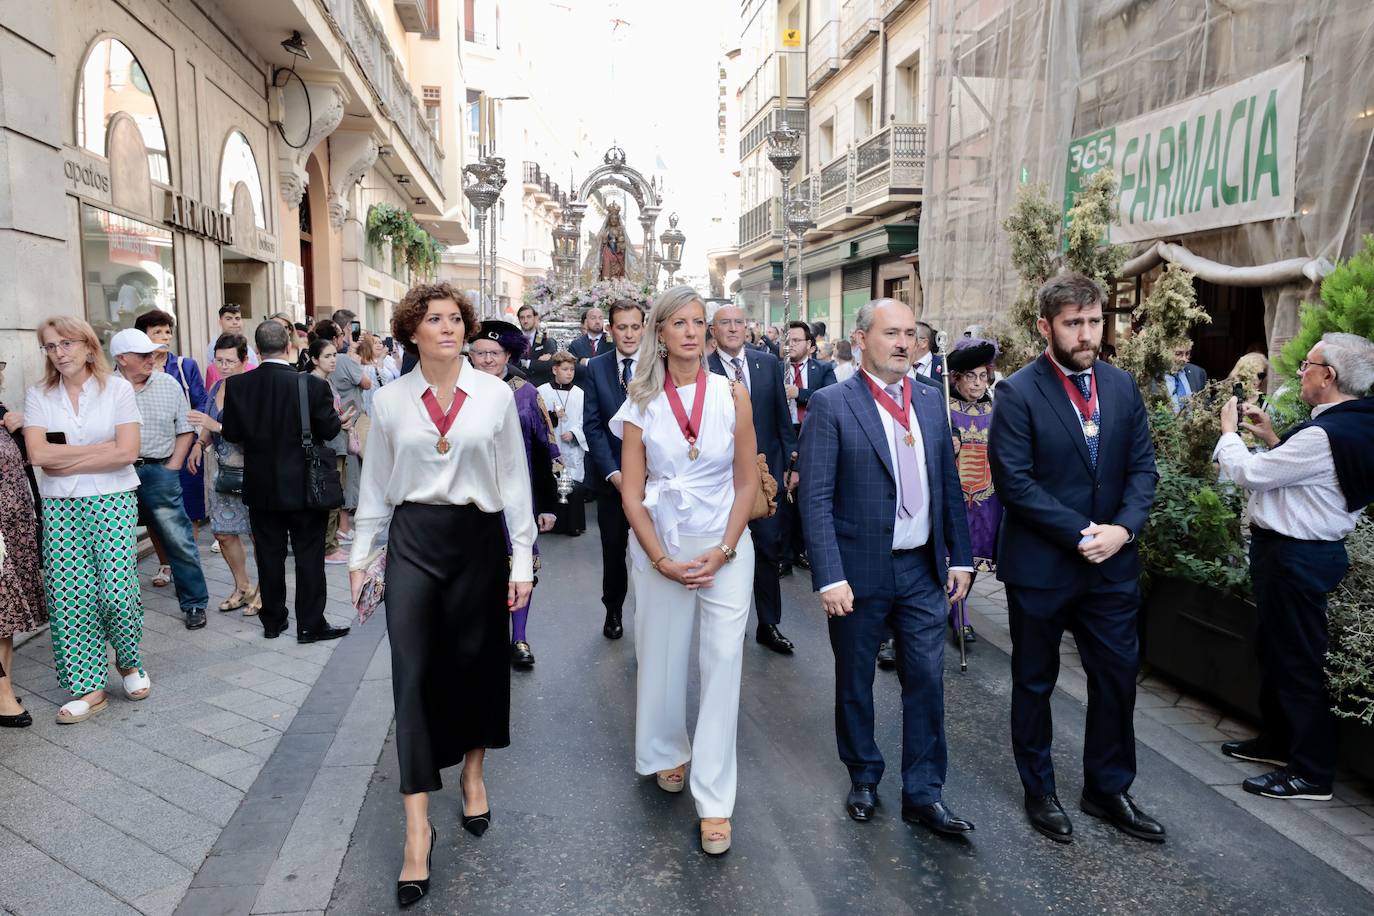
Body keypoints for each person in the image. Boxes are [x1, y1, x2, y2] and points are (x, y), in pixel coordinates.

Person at [348, 283, 535, 908]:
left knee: (478, 664)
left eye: (456, 319)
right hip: (414, 543)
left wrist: (523, 559)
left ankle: (475, 773)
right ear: (411, 331)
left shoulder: (497, 396)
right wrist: (359, 556)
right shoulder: (390, 399)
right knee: (414, 677)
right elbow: (374, 485)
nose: (450, 329)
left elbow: (514, 480)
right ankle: (416, 830)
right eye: (435, 320)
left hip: (480, 541)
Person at [988, 273, 1163, 845]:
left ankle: (1106, 789)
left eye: (1094, 321)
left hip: (1111, 565)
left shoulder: (1120, 386)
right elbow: (1014, 482)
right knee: (1034, 681)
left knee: (1116, 680)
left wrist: (1123, 531)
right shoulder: (1017, 392)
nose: (1087, 334)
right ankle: (1040, 788)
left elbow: (1142, 469)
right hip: (1042, 567)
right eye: (1074, 324)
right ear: (1046, 327)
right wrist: (1084, 530)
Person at [798, 298, 976, 837]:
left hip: (922, 573)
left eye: (909, 334)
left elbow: (948, 484)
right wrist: (829, 576)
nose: (903, 343)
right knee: (855, 681)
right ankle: (864, 775)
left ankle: (924, 793)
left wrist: (961, 556)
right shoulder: (833, 404)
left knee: (926, 680)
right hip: (858, 574)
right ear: (860, 341)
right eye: (890, 333)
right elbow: (817, 499)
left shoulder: (928, 400)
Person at [611, 285, 758, 856]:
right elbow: (631, 491)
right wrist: (661, 560)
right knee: (663, 656)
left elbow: (747, 481)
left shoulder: (733, 395)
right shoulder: (639, 401)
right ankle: (670, 749)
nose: (694, 331)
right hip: (662, 547)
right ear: (661, 333)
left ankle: (715, 801)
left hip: (725, 546)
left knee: (722, 664)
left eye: (700, 322)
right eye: (681, 323)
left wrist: (723, 550)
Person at [1214, 333, 1374, 801]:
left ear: (1330, 377)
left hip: (1295, 556)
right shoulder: (1353, 424)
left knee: (1298, 662)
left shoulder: (1326, 434)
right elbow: (1317, 478)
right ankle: (1279, 742)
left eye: (1308, 364)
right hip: (1300, 553)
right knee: (1276, 652)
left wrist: (1229, 434)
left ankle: (1311, 773)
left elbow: (1252, 474)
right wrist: (1272, 439)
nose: (1300, 370)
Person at [23, 316, 147, 723]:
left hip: (112, 499)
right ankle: (88, 686)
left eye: (67, 343)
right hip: (60, 504)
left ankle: (129, 662)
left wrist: (71, 460)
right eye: (51, 346)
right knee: (70, 595)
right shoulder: (39, 394)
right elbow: (39, 456)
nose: (59, 353)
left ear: (89, 346)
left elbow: (127, 451)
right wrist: (99, 450)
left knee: (115, 592)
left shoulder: (117, 389)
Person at [221, 320, 349, 643]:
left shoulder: (238, 386)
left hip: (260, 484)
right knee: (308, 556)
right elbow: (330, 431)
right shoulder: (311, 385)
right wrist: (340, 421)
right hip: (305, 485)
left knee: (268, 554)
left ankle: (273, 621)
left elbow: (232, 434)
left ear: (258, 350)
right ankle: (309, 624)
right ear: (290, 346)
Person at [468, 320, 559, 668]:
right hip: (471, 497)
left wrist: (549, 505)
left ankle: (518, 638)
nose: (487, 360)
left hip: (516, 497)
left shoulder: (525, 393)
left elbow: (545, 448)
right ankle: (485, 639)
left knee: (519, 568)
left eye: (495, 353)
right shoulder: (460, 390)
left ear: (508, 354)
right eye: (480, 353)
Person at [708, 304, 799, 654]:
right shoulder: (703, 368)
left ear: (747, 328)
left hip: (764, 478)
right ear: (713, 331)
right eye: (725, 323)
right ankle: (727, 621)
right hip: (720, 477)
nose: (733, 329)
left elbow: (781, 417)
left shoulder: (767, 364)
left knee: (766, 548)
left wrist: (792, 463)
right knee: (725, 548)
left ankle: (768, 624)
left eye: (738, 323)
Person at [111, 328, 211, 630]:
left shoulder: (168, 384)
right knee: (114, 544)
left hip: (159, 470)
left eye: (153, 353)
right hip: (116, 474)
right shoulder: (104, 388)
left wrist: (172, 467)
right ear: (122, 358)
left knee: (178, 539)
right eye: (143, 354)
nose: (151, 359)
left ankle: (194, 603)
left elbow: (184, 429)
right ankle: (119, 609)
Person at [581, 299, 647, 640]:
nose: (629, 333)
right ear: (610, 329)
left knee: (654, 553)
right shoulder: (596, 367)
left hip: (655, 481)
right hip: (613, 482)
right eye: (622, 327)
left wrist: (649, 473)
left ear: (645, 328)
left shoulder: (659, 365)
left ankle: (651, 620)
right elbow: (592, 425)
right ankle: (614, 610)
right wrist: (614, 473)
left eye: (635, 326)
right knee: (613, 549)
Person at [190, 334, 260, 615]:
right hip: (221, 471)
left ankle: (263, 589)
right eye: (219, 360)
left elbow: (254, 432)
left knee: (258, 534)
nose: (224, 365)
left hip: (252, 470)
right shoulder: (217, 386)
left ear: (244, 360)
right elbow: (208, 421)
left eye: (230, 360)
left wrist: (214, 427)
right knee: (223, 533)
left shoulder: (254, 388)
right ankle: (241, 586)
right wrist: (199, 443)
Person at [136, 310, 210, 575]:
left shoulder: (184, 366)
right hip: (148, 452)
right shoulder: (129, 370)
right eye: (157, 332)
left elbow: (202, 401)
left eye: (168, 331)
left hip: (185, 446)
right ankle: (165, 564)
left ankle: (186, 565)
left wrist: (191, 431)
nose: (165, 336)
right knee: (153, 513)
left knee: (188, 510)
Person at [945, 338, 1005, 645]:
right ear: (956, 378)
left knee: (975, 558)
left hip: (987, 498)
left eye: (983, 376)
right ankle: (959, 616)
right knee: (952, 557)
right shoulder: (943, 407)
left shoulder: (998, 409)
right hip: (953, 498)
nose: (978, 383)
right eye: (971, 376)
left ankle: (959, 607)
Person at [0, 363, 46, 728]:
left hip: (16, 530)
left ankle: (5, 686)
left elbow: (33, 462)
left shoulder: (3, 414)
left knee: (8, 617)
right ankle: (1, 695)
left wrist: (24, 431)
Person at [781, 320, 837, 575]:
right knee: (784, 493)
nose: (790, 345)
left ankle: (802, 549)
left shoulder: (823, 368)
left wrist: (799, 393)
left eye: (795, 341)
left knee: (808, 492)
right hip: (784, 434)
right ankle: (784, 553)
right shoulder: (777, 368)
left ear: (810, 345)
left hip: (811, 434)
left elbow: (830, 397)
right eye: (787, 341)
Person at [308, 338, 358, 565]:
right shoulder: (315, 383)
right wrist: (340, 420)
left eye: (334, 355)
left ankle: (331, 543)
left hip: (337, 444)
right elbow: (320, 420)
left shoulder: (327, 382)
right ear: (314, 359)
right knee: (330, 497)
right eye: (327, 356)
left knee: (335, 496)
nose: (333, 360)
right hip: (328, 448)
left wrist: (342, 421)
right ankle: (328, 547)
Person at [322, 318, 371, 542]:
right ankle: (341, 528)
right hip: (348, 423)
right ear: (335, 339)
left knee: (338, 476)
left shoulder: (316, 364)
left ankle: (338, 530)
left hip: (329, 426)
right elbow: (366, 382)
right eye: (341, 335)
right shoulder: (342, 359)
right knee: (348, 477)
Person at [538, 352, 588, 536]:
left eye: (572, 369)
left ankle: (572, 525)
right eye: (565, 369)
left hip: (571, 446)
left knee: (571, 485)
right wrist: (552, 417)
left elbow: (586, 419)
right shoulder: (542, 391)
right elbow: (536, 417)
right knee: (553, 483)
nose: (569, 373)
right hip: (552, 445)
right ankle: (552, 523)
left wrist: (575, 433)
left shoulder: (580, 394)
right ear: (554, 369)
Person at [204, 304, 259, 387]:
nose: (234, 322)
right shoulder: (215, 346)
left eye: (237, 318)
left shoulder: (249, 349)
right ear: (220, 322)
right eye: (229, 319)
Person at [517, 304, 558, 386]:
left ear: (535, 318)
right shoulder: (514, 341)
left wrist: (525, 363)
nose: (525, 321)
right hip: (519, 387)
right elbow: (511, 364)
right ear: (519, 320)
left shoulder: (546, 340)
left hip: (542, 387)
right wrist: (537, 362)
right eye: (522, 317)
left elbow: (551, 365)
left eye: (529, 317)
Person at [1163, 341, 1207, 413]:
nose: (1184, 359)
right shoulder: (1151, 377)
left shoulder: (1197, 373)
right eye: (1178, 354)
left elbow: (1205, 405)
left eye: (1187, 354)